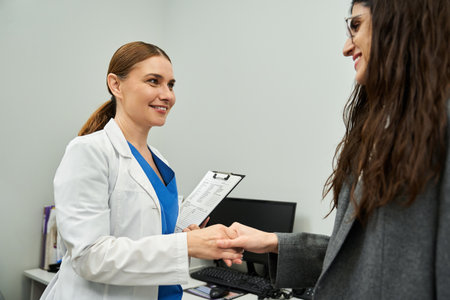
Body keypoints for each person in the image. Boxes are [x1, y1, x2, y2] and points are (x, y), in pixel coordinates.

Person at [218, 0, 450, 298]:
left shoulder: (439, 130)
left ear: (401, 20)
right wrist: (272, 242)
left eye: (356, 25)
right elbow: (359, 259)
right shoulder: (383, 130)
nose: (345, 47)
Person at [40, 41, 242, 300]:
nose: (167, 94)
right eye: (153, 81)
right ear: (116, 85)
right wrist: (185, 245)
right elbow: (90, 257)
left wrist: (189, 238)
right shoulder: (89, 151)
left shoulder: (160, 160)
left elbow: (149, 235)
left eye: (170, 84)